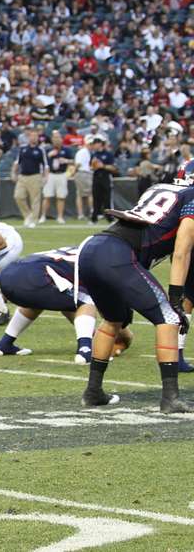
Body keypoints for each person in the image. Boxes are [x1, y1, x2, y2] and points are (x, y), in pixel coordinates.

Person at [75, 159, 194, 413]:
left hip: (91, 248)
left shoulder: (161, 188)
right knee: (169, 317)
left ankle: (93, 391)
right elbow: (182, 249)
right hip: (117, 255)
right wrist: (176, 296)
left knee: (113, 320)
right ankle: (170, 398)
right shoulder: (192, 197)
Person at [0, 246, 106, 364]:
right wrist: (105, 336)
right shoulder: (99, 262)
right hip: (36, 275)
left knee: (37, 299)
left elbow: (66, 305)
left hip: (9, 273)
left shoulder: (78, 251)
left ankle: (4, 344)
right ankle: (85, 351)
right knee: (86, 302)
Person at [12, 128, 47, 228]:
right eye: (32, 136)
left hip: (35, 176)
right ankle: (28, 216)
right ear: (29, 137)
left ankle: (33, 221)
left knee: (35, 200)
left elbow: (45, 165)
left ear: (38, 138)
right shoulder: (22, 149)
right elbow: (17, 162)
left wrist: (45, 176)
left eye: (35, 136)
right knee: (18, 196)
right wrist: (13, 173)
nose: (33, 138)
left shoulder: (40, 150)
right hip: (22, 176)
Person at [40, 131, 70, 224]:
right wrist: (49, 156)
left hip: (62, 174)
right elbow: (43, 163)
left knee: (61, 197)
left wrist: (65, 160)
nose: (57, 140)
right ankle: (43, 216)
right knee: (47, 196)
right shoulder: (47, 149)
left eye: (58, 137)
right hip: (51, 174)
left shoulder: (66, 150)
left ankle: (60, 217)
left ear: (61, 139)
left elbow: (72, 161)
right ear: (52, 139)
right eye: (55, 138)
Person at [90, 134, 117, 223]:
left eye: (95, 143)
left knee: (107, 198)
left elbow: (113, 168)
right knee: (96, 198)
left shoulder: (108, 154)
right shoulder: (94, 155)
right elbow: (91, 167)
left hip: (105, 177)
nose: (94, 145)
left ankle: (110, 218)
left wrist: (103, 166)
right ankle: (94, 218)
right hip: (96, 177)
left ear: (100, 144)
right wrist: (94, 166)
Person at [73, 135, 95, 220]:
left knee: (81, 194)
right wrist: (73, 173)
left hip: (84, 173)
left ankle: (82, 214)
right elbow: (78, 164)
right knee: (87, 194)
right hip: (83, 173)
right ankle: (89, 212)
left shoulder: (86, 152)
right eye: (90, 144)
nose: (92, 145)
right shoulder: (83, 152)